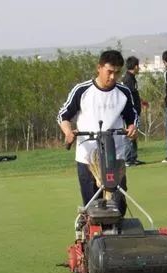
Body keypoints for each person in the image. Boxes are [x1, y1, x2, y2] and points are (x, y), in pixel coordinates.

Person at [57, 50, 138, 215]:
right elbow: (63, 116)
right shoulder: (82, 91)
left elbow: (132, 118)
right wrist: (68, 132)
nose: (113, 77)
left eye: (117, 73)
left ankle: (116, 237)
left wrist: (132, 128)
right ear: (99, 68)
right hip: (87, 157)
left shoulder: (123, 92)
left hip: (115, 156)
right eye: (109, 72)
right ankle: (93, 237)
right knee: (93, 206)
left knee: (118, 205)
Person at [121, 56, 147, 167]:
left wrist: (141, 101)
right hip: (130, 113)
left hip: (135, 112)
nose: (139, 68)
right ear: (135, 66)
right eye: (138, 66)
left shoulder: (132, 78)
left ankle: (133, 157)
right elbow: (127, 96)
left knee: (134, 134)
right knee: (129, 134)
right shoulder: (128, 79)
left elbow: (134, 94)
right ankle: (128, 159)